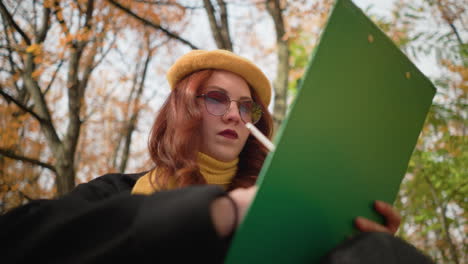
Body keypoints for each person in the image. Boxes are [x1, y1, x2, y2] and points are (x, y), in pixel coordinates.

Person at [0, 50, 433, 264]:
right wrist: (221, 212)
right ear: (183, 109)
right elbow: (18, 240)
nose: (234, 114)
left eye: (246, 107)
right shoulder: (117, 191)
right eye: (216, 99)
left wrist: (352, 239)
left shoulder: (282, 207)